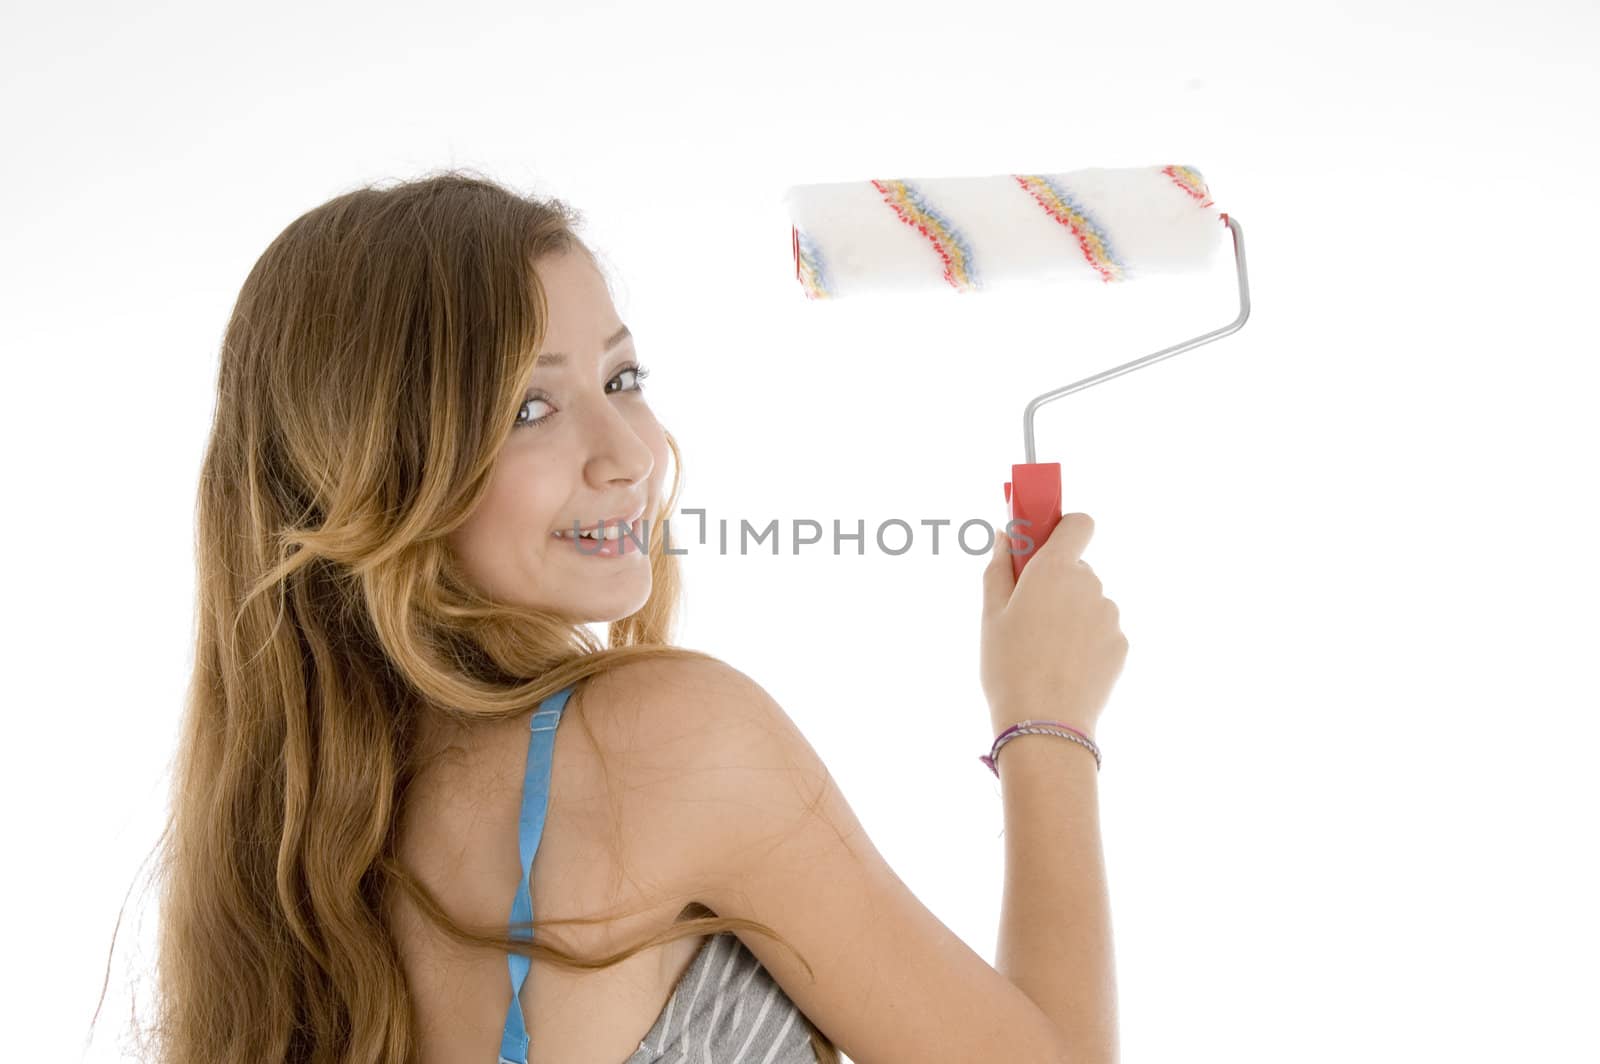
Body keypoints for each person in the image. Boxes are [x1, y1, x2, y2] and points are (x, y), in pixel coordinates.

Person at [113, 170, 1127, 1064]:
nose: (629, 453)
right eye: (529, 408)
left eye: (622, 378)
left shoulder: (283, 859)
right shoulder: (660, 744)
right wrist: (1045, 718)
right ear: (380, 466)